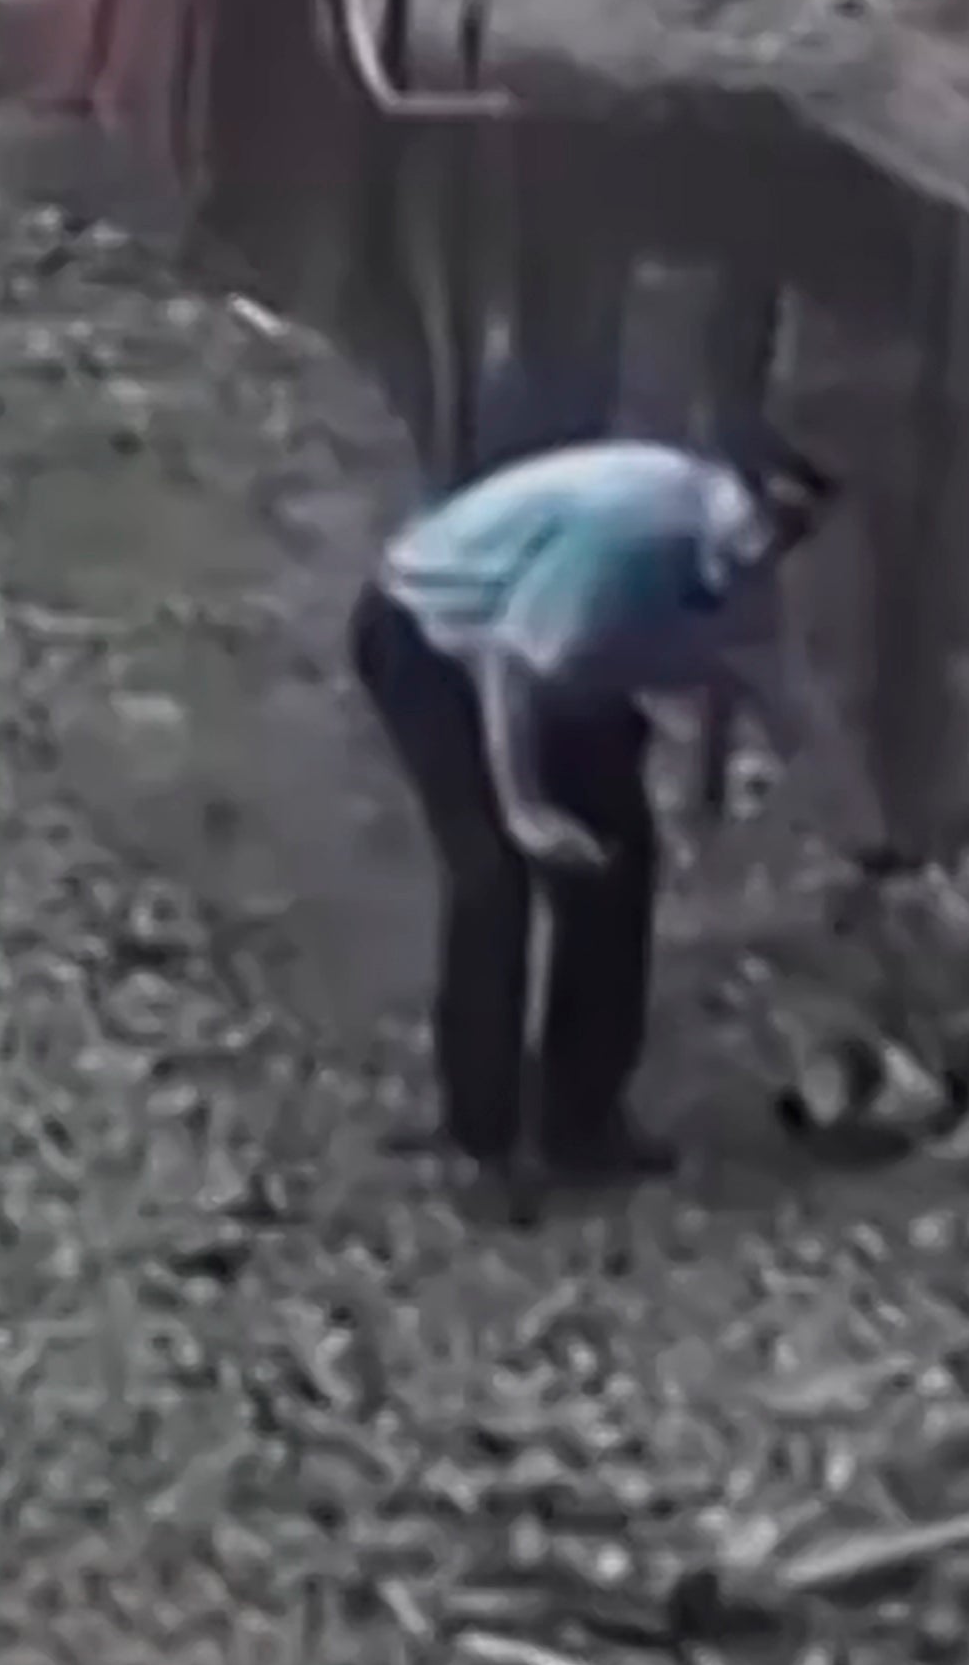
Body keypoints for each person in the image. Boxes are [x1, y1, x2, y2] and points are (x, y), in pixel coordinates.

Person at [345, 425, 842, 1195]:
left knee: (617, 864)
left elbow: (774, 691)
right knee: (495, 878)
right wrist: (525, 807)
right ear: (727, 483)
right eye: (762, 513)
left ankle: (583, 1121)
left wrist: (851, 823)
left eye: (792, 529)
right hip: (435, 640)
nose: (767, 540)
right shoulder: (635, 532)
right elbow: (507, 662)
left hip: (565, 672)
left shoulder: (741, 570)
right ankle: (480, 1142)